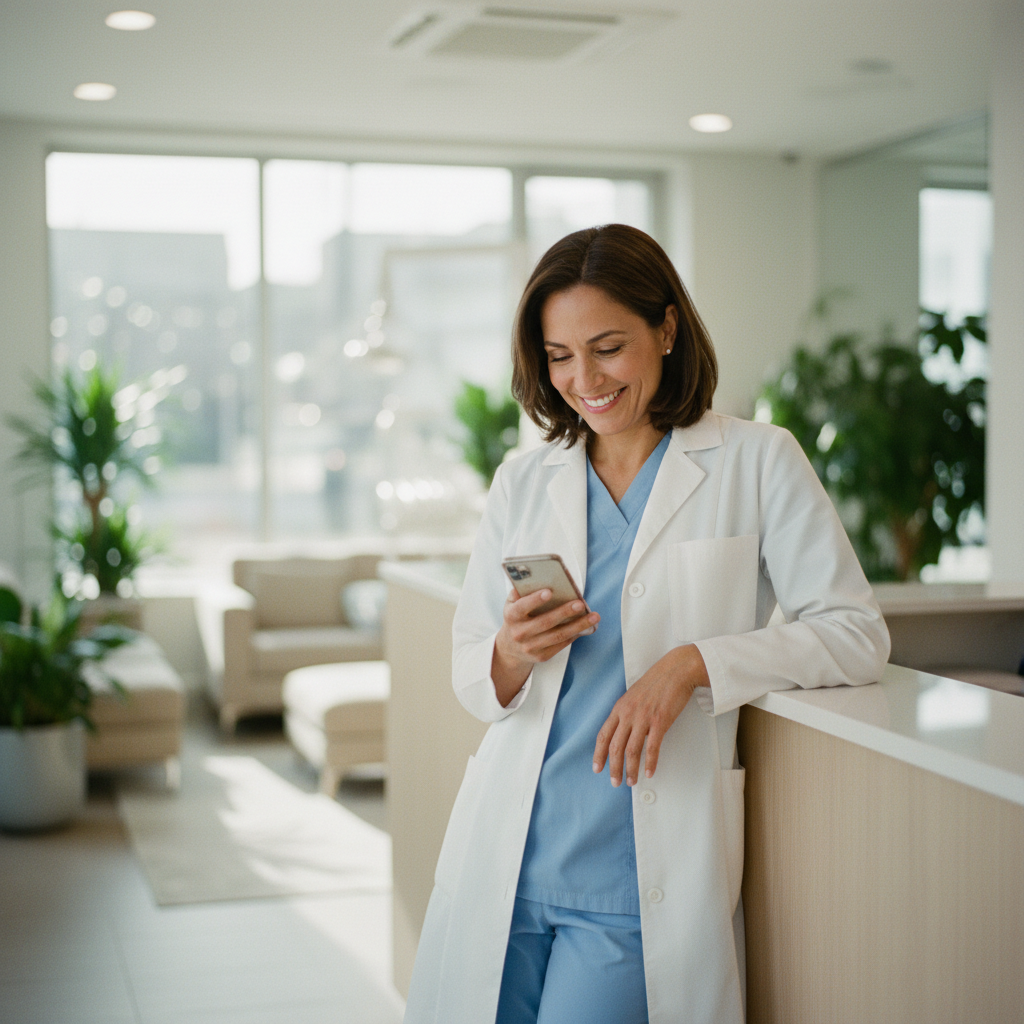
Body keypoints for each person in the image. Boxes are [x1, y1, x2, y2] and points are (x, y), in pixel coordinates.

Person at [403, 224, 890, 1024]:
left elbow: (855, 632)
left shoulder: (758, 460)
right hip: (506, 854)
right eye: (559, 356)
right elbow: (471, 672)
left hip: (638, 880)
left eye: (607, 347)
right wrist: (509, 651)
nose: (583, 379)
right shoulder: (524, 480)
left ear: (666, 330)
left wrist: (693, 663)